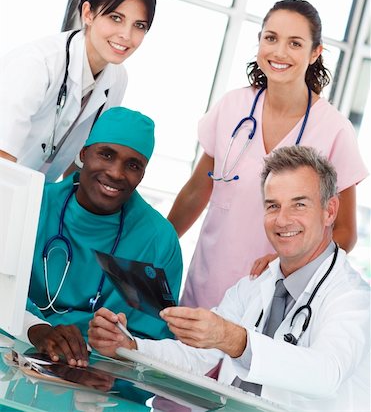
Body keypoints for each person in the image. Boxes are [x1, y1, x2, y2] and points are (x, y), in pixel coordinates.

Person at [88, 145, 370, 412]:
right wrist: (130, 346)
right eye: (273, 206)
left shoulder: (352, 298)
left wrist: (235, 340)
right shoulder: (255, 284)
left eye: (299, 205)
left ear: (329, 211)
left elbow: (326, 373)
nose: (283, 220)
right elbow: (198, 357)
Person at [167, 0, 368, 310]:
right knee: (185, 356)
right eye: (271, 38)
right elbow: (197, 190)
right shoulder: (233, 106)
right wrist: (157, 246)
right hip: (206, 283)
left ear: (315, 53)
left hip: (273, 291)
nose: (279, 52)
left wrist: (291, 261)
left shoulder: (334, 129)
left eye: (295, 43)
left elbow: (345, 233)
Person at [19, 106, 182, 367]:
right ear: (83, 154)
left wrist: (114, 346)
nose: (116, 173)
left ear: (142, 174)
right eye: (106, 155)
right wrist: (34, 327)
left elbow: (151, 341)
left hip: (98, 380)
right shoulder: (31, 203)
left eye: (133, 165)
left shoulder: (157, 241)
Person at [0, 0, 156, 182]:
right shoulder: (37, 64)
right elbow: (2, 155)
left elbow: (81, 161)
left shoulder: (117, 79)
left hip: (32, 196)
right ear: (88, 13)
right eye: (115, 18)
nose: (126, 35)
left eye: (139, 25)